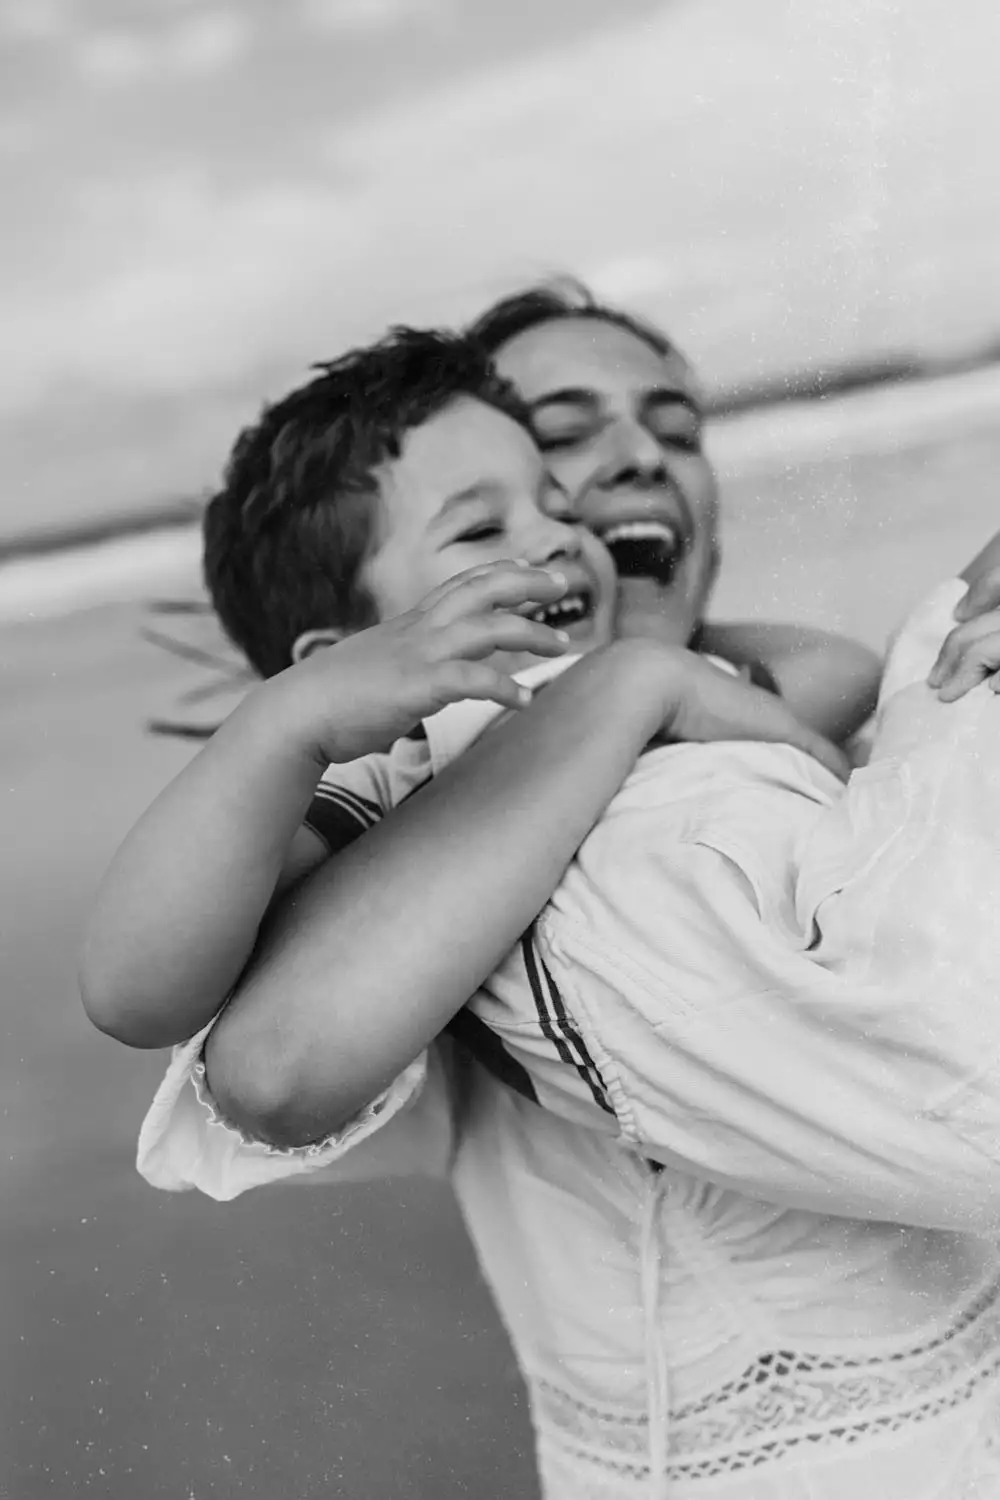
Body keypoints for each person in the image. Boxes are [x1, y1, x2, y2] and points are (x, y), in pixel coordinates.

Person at [83, 293, 1000, 1496]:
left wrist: (683, 666)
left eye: (674, 429)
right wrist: (292, 724)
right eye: (553, 442)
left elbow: (845, 690)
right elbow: (149, 992)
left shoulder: (751, 688)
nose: (569, 520)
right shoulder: (408, 771)